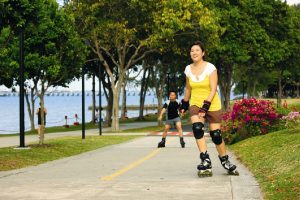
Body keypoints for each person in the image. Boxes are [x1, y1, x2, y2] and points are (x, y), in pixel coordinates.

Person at [180, 41, 238, 177]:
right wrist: (184, 104)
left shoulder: (210, 68)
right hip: (195, 103)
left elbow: (213, 89)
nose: (194, 52)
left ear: (203, 53)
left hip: (211, 103)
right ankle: (205, 160)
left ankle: (225, 160)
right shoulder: (188, 69)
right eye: (192, 50)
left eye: (197, 50)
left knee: (216, 135)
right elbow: (188, 88)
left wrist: (205, 107)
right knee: (197, 128)